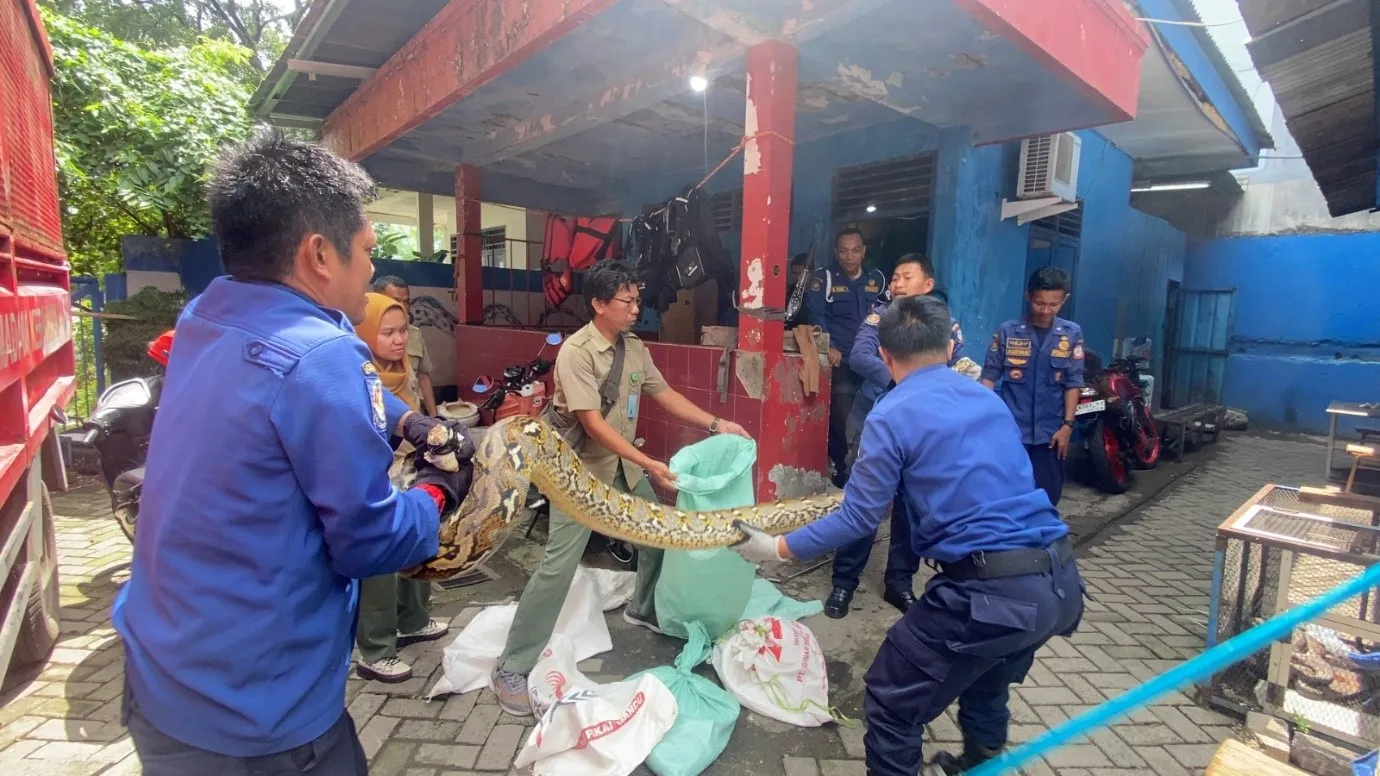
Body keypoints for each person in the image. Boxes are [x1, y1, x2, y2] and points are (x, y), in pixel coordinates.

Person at [111, 129, 471, 774]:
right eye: (368, 249)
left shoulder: (206, 316)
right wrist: (437, 493)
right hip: (255, 713)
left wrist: (408, 421)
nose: (371, 269)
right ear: (319, 254)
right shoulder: (323, 354)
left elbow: (286, 387)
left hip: (161, 671)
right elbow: (370, 542)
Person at [731, 295, 1085, 776]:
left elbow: (858, 518)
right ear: (950, 347)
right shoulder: (988, 399)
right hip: (1058, 580)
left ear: (883, 355)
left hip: (990, 593)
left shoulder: (890, 415)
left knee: (890, 701)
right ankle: (980, 765)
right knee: (986, 676)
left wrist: (775, 547)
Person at [490, 259, 751, 717]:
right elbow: (592, 424)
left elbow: (664, 394)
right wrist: (649, 462)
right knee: (558, 568)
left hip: (623, 470)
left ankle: (642, 607)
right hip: (577, 474)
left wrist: (716, 423)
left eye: (636, 299)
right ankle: (511, 666)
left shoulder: (634, 348)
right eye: (626, 301)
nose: (635, 308)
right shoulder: (576, 352)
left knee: (659, 537)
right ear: (598, 303)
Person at [823, 254, 968, 619]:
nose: (898, 283)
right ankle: (844, 582)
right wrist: (905, 381)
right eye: (895, 276)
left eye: (907, 276)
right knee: (863, 504)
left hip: (924, 428)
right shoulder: (879, 317)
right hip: (878, 422)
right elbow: (859, 356)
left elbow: (955, 365)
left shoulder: (943, 324)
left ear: (927, 285)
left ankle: (899, 583)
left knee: (911, 508)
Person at [351, 292, 450, 682]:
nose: (398, 340)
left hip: (413, 467)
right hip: (377, 476)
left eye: (402, 330)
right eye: (387, 332)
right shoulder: (357, 377)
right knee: (381, 562)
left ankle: (413, 620)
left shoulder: (403, 367)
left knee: (418, 541)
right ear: (365, 334)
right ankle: (375, 650)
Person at [981, 267, 1085, 506]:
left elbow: (1073, 382)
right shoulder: (1008, 332)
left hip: (1051, 435)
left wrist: (1067, 426)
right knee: (1008, 495)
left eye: (1053, 305)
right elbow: (989, 378)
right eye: (1040, 304)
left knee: (1048, 497)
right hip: (1011, 433)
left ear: (1064, 300)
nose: (1046, 310)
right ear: (1028, 296)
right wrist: (984, 422)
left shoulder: (1071, 333)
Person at [803, 228, 887, 486]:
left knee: (877, 410)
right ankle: (840, 467)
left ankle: (871, 466)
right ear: (836, 253)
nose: (849, 257)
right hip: (840, 360)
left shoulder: (876, 279)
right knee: (840, 414)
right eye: (844, 251)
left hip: (871, 360)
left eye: (855, 251)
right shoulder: (824, 279)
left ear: (863, 251)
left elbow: (887, 312)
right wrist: (828, 346)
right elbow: (816, 316)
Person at [372, 275, 439, 416]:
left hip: (413, 414)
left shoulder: (414, 334)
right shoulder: (364, 336)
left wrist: (434, 416)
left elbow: (422, 376)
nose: (402, 306)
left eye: (406, 302)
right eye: (396, 301)